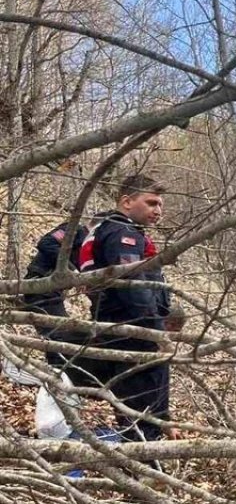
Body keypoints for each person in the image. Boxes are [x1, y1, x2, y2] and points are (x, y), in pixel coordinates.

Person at [76, 174, 173, 443]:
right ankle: (142, 466)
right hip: (133, 331)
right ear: (127, 202)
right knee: (142, 406)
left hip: (117, 326)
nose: (158, 210)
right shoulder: (123, 234)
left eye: (161, 205)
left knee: (134, 406)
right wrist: (155, 331)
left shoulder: (105, 228)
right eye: (151, 202)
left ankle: (141, 461)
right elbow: (132, 286)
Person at [21, 212, 110, 371]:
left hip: (54, 294)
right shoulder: (73, 230)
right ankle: (55, 375)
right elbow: (46, 243)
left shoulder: (88, 249)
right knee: (58, 334)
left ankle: (58, 373)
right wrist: (72, 270)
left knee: (67, 334)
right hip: (40, 285)